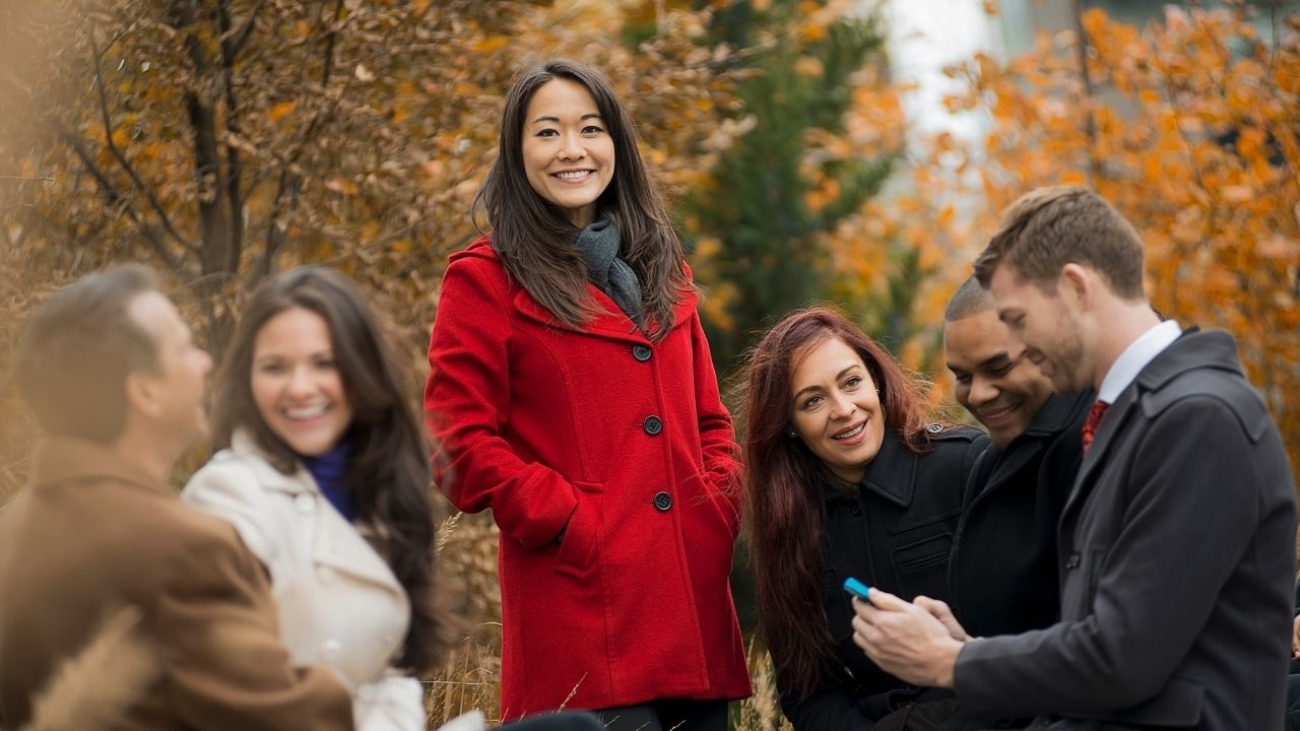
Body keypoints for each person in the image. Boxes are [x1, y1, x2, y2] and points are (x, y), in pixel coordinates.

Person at [852, 186, 1297, 730]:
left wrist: (952, 661)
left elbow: (1124, 660)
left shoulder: (1198, 417)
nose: (1019, 345)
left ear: (1075, 288)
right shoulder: (1137, 417)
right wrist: (969, 646)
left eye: (1017, 318)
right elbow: (1108, 642)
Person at [423, 59, 749, 729]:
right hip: (581, 617)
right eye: (547, 132)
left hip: (690, 610)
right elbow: (455, 443)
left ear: (617, 145)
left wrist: (716, 500)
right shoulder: (485, 277)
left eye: (590, 128)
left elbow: (711, 422)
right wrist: (565, 516)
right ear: (518, 154)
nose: (572, 149)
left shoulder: (665, 268)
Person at [0, 265, 354, 730]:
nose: (205, 361)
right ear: (144, 392)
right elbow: (296, 720)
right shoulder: (184, 549)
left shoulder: (10, 529)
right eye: (185, 347)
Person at [182, 267, 453, 730]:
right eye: (275, 367)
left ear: (361, 370)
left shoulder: (381, 489)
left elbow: (393, 671)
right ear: (247, 379)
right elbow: (223, 690)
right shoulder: (227, 495)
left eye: (324, 363)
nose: (300, 388)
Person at [738, 306, 988, 730]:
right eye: (812, 400)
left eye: (851, 382)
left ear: (875, 381)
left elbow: (1033, 631)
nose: (843, 409)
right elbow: (808, 691)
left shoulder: (965, 466)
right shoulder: (790, 527)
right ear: (790, 425)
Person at [943, 276, 1091, 641]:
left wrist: (960, 662)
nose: (977, 395)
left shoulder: (1099, 447)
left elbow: (1098, 643)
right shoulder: (988, 465)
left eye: (999, 368)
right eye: (962, 376)